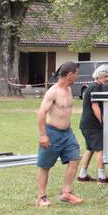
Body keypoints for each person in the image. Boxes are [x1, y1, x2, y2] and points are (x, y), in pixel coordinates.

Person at [36, 61, 83, 207]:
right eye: (76, 74)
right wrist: (43, 135)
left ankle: (66, 193)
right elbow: (41, 112)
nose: (77, 78)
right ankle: (41, 197)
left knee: (75, 159)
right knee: (45, 165)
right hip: (52, 133)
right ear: (70, 75)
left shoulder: (69, 90)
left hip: (67, 133)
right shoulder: (53, 92)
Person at [77, 64, 108, 184]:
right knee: (100, 149)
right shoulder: (96, 87)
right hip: (92, 124)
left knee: (90, 149)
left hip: (86, 124)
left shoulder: (95, 86)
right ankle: (102, 177)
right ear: (99, 76)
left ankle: (82, 175)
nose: (107, 79)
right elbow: (95, 106)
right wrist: (102, 121)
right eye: (105, 76)